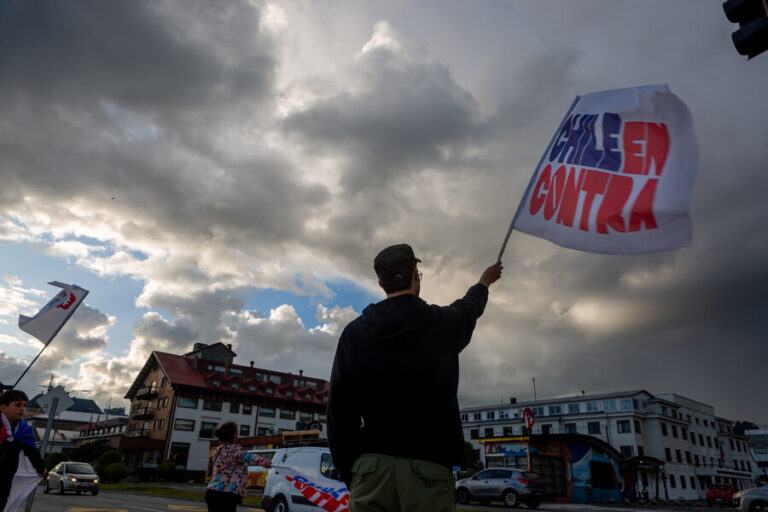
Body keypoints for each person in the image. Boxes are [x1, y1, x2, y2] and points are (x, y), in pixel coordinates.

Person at [328, 243, 503, 511]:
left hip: (370, 469)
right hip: (429, 472)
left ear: (380, 282)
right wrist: (483, 282)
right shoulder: (442, 324)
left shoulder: (353, 334)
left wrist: (353, 470)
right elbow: (469, 308)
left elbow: (338, 413)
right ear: (414, 275)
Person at [205, 421, 272, 512]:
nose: (238, 435)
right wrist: (265, 462)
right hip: (227, 494)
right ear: (233, 435)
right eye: (237, 432)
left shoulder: (218, 450)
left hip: (212, 492)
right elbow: (250, 457)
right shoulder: (236, 449)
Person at [0, 390, 46, 511]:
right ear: (4, 408)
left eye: (24, 405)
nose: (22, 409)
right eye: (18, 405)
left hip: (6, 475)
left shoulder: (24, 429)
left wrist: (40, 468)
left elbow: (32, 451)